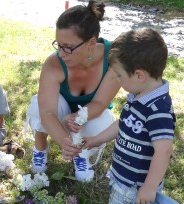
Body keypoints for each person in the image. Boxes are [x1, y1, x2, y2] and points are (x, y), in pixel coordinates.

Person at [83, 28, 174, 204]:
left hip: (135, 184)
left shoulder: (157, 110)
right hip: (128, 179)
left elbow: (164, 150)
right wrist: (97, 139)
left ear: (139, 75)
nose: (117, 81)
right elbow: (123, 125)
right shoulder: (139, 95)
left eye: (119, 76)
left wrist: (150, 187)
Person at [25, 0, 119, 181]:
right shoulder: (54, 63)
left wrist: (80, 115)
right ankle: (40, 146)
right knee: (38, 106)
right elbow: (47, 111)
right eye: (58, 45)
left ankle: (81, 154)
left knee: (102, 123)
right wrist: (64, 142)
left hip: (91, 113)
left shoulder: (113, 57)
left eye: (67, 47)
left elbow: (99, 103)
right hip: (59, 110)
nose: (61, 53)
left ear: (91, 42)